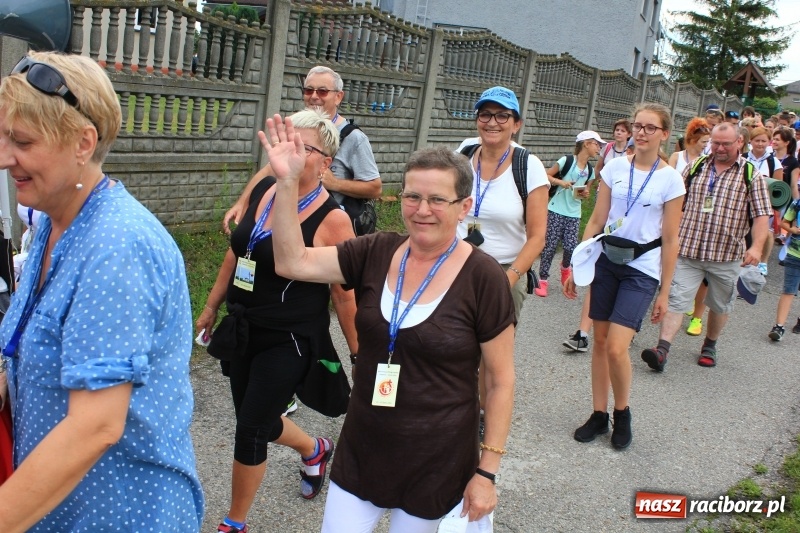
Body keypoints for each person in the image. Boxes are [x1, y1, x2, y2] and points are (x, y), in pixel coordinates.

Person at [264, 115, 515, 531]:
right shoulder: (375, 252)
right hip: (364, 446)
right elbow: (292, 261)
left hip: (437, 461)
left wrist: (486, 473)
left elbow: (501, 381)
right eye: (412, 196)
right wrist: (288, 183)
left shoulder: (483, 277)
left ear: (464, 207)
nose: (421, 210)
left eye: (437, 200)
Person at [0, 52, 204, 530]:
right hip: (66, 511)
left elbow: (95, 426)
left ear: (83, 142)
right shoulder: (57, 226)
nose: (4, 157)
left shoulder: (116, 246)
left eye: (22, 141)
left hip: (122, 513)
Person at [195, 108, 358, 533]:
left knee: (249, 428)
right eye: (287, 142)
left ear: (325, 163)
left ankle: (235, 523)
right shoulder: (267, 188)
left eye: (302, 147)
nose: (291, 152)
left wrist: (361, 352)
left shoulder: (333, 220)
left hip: (290, 338)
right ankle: (315, 448)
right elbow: (238, 250)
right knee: (261, 421)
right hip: (244, 324)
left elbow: (345, 295)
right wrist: (212, 306)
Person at [563, 103, 684, 450]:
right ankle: (599, 415)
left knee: (617, 347)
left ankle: (622, 412)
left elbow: (672, 238)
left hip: (642, 268)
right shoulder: (614, 167)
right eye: (637, 126)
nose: (641, 132)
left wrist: (664, 291)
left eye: (649, 127)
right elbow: (597, 220)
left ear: (663, 134)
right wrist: (577, 262)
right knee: (599, 342)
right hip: (606, 260)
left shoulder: (671, 179)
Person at [640, 122, 771, 370]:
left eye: (725, 144)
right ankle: (662, 350)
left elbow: (762, 216)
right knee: (677, 299)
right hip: (688, 250)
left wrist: (755, 249)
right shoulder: (697, 166)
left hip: (726, 255)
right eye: (716, 143)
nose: (719, 148)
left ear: (739, 143)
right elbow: (675, 199)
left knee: (720, 304)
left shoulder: (751, 174)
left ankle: (710, 345)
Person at [223, 66, 382, 237]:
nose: (314, 96)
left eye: (322, 91)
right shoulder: (298, 128)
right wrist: (242, 203)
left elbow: (375, 188)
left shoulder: (354, 138)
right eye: (308, 90)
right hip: (289, 221)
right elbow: (269, 171)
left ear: (338, 97)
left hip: (324, 228)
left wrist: (335, 184)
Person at [455, 86, 549, 320]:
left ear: (516, 124)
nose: (492, 122)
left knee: (492, 353)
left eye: (502, 115)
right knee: (449, 346)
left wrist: (508, 280)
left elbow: (538, 237)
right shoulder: (463, 154)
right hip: (456, 265)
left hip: (505, 270)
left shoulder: (529, 166)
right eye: (485, 114)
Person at [537, 130, 604, 297]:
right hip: (556, 209)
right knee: (550, 246)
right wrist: (561, 182)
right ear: (586, 143)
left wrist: (586, 193)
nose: (599, 148)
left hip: (574, 212)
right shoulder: (566, 161)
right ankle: (543, 280)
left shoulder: (590, 170)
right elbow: (546, 175)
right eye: (596, 144)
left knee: (570, 247)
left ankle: (565, 267)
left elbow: (586, 190)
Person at [746, 126, 785, 275]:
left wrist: (775, 207)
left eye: (763, 141)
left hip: (765, 203)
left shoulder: (773, 162)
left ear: (769, 142)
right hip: (744, 201)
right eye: (757, 140)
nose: (760, 144)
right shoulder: (743, 157)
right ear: (751, 141)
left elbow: (779, 186)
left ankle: (763, 261)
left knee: (766, 232)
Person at [768, 199, 800, 341]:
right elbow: (783, 222)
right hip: (794, 253)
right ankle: (779, 326)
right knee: (788, 290)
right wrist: (793, 229)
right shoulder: (797, 203)